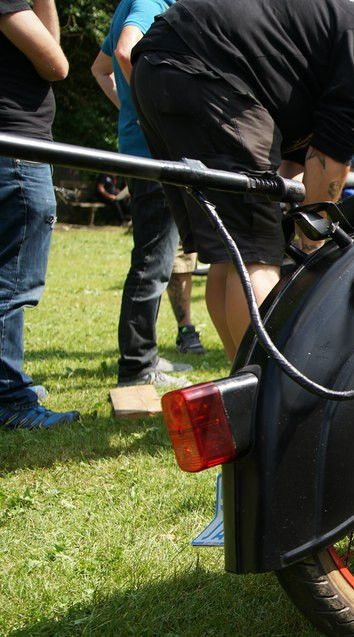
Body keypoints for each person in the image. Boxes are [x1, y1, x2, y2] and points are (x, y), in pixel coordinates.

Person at [130, 1, 354, 361]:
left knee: (229, 253)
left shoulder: (332, 42)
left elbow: (295, 164)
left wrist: (291, 217)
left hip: (159, 66)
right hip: (208, 71)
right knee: (257, 254)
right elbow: (332, 158)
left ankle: (244, 390)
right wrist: (312, 239)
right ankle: (271, 390)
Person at [91, 0, 205, 388]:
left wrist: (130, 108)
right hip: (152, 156)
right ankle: (137, 367)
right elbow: (124, 51)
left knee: (153, 259)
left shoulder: (130, 2)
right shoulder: (151, 1)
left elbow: (100, 69)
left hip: (140, 152)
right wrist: (145, 109)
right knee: (153, 263)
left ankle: (146, 356)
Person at [0, 0, 80, 430]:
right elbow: (56, 64)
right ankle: (9, 397)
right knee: (12, 283)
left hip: (11, 149)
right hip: (16, 151)